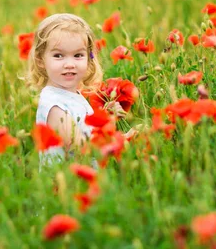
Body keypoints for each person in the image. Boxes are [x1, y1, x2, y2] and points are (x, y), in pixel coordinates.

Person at [23, 13, 136, 165]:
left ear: (89, 59)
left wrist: (107, 117)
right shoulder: (54, 106)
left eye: (77, 55)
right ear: (40, 60)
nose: (69, 63)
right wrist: (122, 140)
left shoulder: (69, 94)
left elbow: (85, 128)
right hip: (68, 185)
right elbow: (82, 146)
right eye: (58, 55)